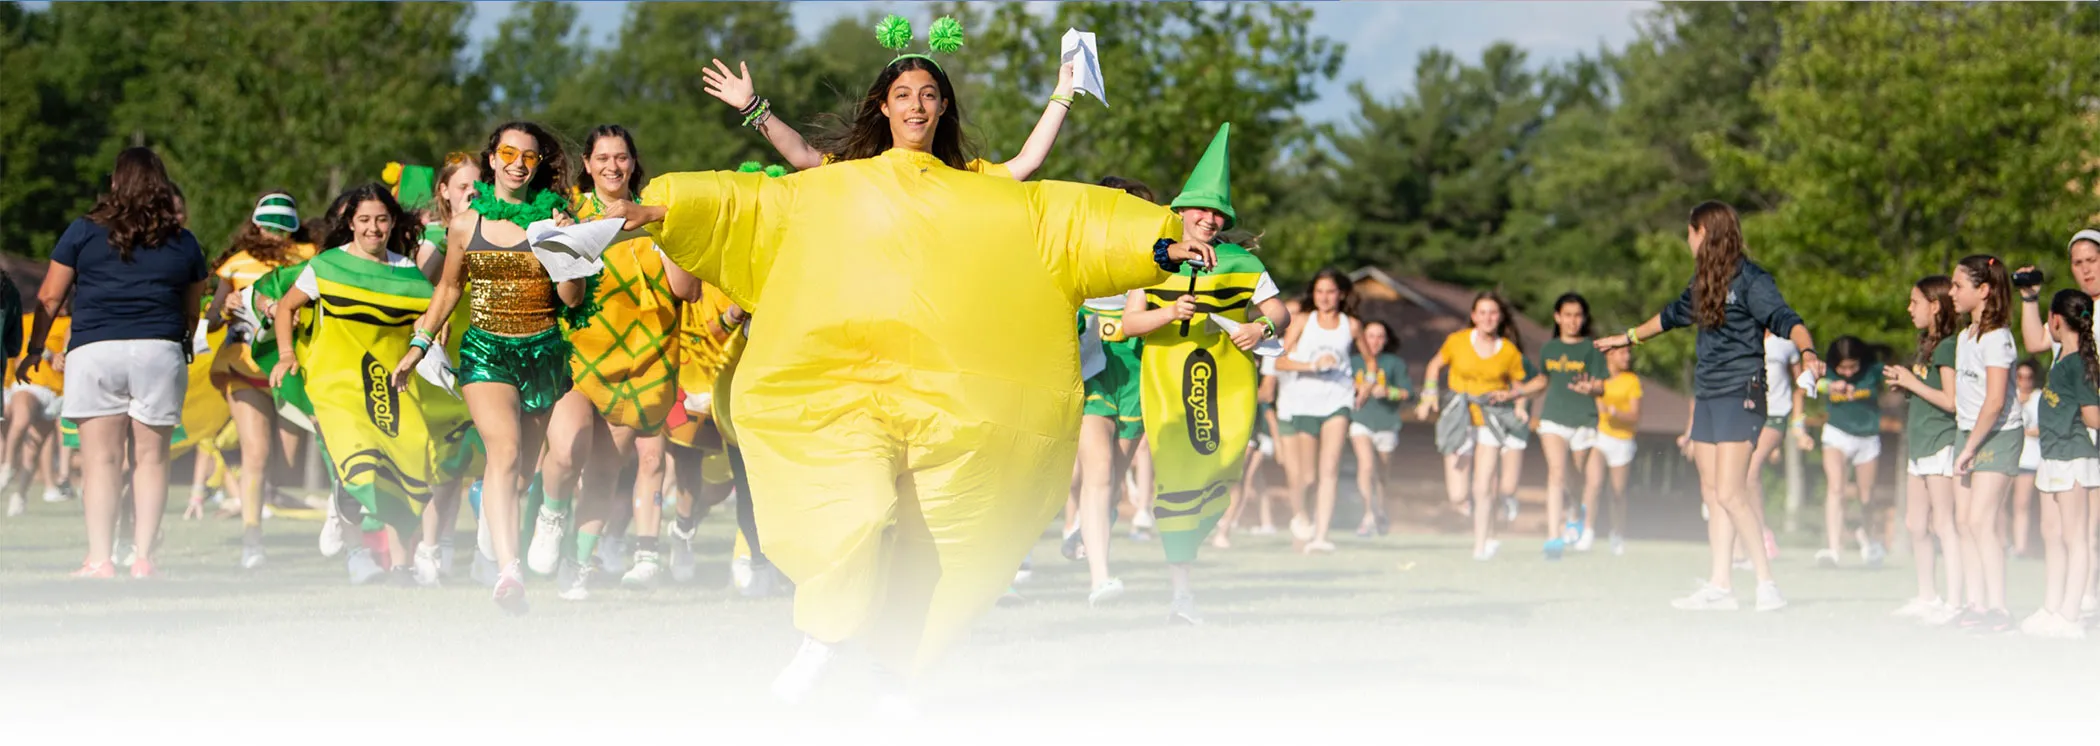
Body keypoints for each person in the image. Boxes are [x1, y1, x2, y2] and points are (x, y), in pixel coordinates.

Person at [602, 17, 1215, 713]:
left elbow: (1050, 204)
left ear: (943, 106)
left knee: (936, 543)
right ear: (884, 106)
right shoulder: (845, 183)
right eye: (904, 94)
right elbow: (767, 196)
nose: (917, 104)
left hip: (948, 403)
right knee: (856, 508)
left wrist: (1153, 240)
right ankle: (823, 639)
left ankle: (897, 674)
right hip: (854, 390)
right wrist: (676, 192)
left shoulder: (979, 189)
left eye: (929, 93)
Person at [395, 121, 584, 613]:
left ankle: (493, 524)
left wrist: (566, 251)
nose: (518, 164)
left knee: (520, 474)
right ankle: (509, 571)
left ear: (539, 166)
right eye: (508, 153)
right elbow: (449, 289)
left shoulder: (555, 219)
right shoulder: (465, 223)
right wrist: (418, 347)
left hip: (543, 351)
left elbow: (572, 300)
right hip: (485, 352)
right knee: (504, 451)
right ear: (493, 158)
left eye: (529, 157)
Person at [1595, 201, 1820, 611]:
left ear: (1703, 232)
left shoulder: (1752, 279)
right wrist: (1625, 337)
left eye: (1689, 231)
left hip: (1742, 392)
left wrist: (1808, 353)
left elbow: (1787, 319)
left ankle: (1768, 585)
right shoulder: (1703, 280)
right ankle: (1721, 586)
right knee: (1715, 493)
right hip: (1709, 394)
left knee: (1733, 493)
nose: (1686, 239)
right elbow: (1669, 317)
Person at [1121, 124, 1289, 620]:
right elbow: (1131, 322)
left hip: (1229, 384)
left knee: (1222, 467)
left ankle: (1188, 558)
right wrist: (1169, 314)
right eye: (1203, 210)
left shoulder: (1244, 262)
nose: (1210, 220)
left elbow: (1280, 313)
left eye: (1219, 213)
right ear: (1182, 211)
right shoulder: (1153, 259)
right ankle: (1182, 590)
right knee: (1175, 475)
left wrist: (1259, 331)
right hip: (1169, 383)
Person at [533, 125, 702, 597]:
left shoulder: (657, 217)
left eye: (621, 157)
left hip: (642, 360)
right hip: (579, 355)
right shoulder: (567, 215)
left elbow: (688, 291)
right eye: (602, 157)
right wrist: (566, 252)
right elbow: (568, 299)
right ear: (587, 164)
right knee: (567, 450)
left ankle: (579, 567)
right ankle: (551, 512)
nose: (612, 166)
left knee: (606, 471)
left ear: (633, 162)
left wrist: (659, 227)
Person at [25, 147, 207, 579]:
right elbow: (193, 308)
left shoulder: (83, 231)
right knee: (152, 459)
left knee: (100, 461)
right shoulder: (183, 241)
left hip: (95, 350)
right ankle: (143, 558)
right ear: (162, 187)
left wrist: (34, 348)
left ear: (114, 184)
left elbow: (50, 296)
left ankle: (99, 559)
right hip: (159, 351)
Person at [270, 184, 454, 584]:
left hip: (391, 386)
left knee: (405, 471)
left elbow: (431, 313)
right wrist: (286, 355)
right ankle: (348, 510)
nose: (374, 228)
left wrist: (433, 333)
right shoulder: (326, 266)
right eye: (365, 220)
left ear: (393, 223)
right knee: (360, 461)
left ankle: (402, 567)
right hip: (337, 387)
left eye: (382, 219)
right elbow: (286, 307)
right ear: (351, 223)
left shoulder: (406, 273)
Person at [203, 191, 317, 569]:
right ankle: (252, 539)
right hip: (243, 366)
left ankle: (242, 479)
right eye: (268, 225)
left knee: (283, 461)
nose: (274, 233)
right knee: (258, 453)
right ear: (255, 225)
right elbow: (214, 318)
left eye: (283, 226)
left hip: (290, 368)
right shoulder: (235, 264)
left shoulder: (310, 258)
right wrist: (227, 306)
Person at [1063, 175, 1158, 606]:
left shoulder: (1157, 263)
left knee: (1115, 480)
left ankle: (1086, 532)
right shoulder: (1079, 254)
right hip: (1093, 371)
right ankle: (1100, 578)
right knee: (1099, 472)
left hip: (1137, 373)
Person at [1417, 292, 1532, 561]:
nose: (1487, 318)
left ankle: (1481, 545)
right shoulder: (1457, 342)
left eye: (1493, 313)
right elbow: (1435, 366)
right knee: (1458, 494)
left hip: (1491, 419)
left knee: (1483, 486)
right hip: (1458, 417)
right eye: (1482, 312)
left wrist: (1520, 407)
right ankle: (1477, 515)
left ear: (1500, 317)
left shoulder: (1508, 351)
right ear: (1473, 316)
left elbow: (1520, 386)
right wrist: (1429, 394)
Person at [1944, 255, 2021, 632]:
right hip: (1969, 432)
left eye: (1959, 286)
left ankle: (1999, 609)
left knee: (1981, 520)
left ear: (1984, 290)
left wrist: (1971, 446)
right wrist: (1965, 440)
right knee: (1963, 521)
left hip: (1997, 435)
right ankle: (1976, 604)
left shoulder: (1997, 337)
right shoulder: (1965, 336)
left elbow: (1994, 401)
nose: (1951, 292)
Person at [1273, 267, 1374, 554]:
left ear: (1341, 294)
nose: (1325, 297)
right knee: (1308, 478)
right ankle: (1301, 517)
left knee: (1330, 470)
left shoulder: (1351, 325)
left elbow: (1371, 362)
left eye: (1330, 292)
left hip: (1338, 401)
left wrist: (1366, 385)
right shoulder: (1303, 321)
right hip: (1304, 403)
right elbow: (1280, 362)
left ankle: (1321, 536)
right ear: (1313, 294)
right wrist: (1312, 365)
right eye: (1319, 292)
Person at [1884, 275, 1965, 624]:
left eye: (1914, 301)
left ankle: (1956, 602)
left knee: (1944, 523)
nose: (1909, 308)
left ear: (1935, 305)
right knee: (1915, 523)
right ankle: (1927, 596)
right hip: (1919, 445)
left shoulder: (1948, 345)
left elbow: (1951, 401)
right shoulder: (1926, 343)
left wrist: (1911, 382)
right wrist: (1906, 385)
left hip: (1938, 442)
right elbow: (1925, 390)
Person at [2018, 289, 2098, 638]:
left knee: (2075, 537)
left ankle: (2070, 616)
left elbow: (2093, 417)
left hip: (2073, 456)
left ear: (2055, 320)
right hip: (2051, 457)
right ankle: (2052, 608)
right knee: (2051, 533)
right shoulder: (2061, 358)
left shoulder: (2079, 362)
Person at [1533, 293, 1607, 552]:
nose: (1572, 321)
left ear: (1584, 318)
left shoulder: (1592, 349)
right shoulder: (1549, 349)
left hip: (1583, 421)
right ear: (1557, 317)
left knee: (1574, 476)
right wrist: (1516, 393)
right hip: (1553, 418)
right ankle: (1553, 536)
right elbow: (1543, 379)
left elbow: (1600, 386)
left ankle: (1575, 511)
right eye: (1567, 315)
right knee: (1556, 472)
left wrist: (1591, 388)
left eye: (1577, 315)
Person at [1812, 336, 1887, 568]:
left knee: (1866, 495)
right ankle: (1834, 548)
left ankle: (1868, 537)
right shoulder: (1827, 373)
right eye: (1841, 367)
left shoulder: (1873, 371)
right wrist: (1829, 385)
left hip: (1867, 436)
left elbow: (1898, 378)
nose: (1846, 372)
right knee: (1836, 488)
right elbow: (1807, 384)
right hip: (1837, 433)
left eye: (1852, 366)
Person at [2, 302, 67, 517]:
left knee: (34, 448)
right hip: (29, 383)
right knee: (21, 421)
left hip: (57, 391)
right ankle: (8, 466)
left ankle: (20, 494)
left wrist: (60, 357)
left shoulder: (70, 324)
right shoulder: (27, 320)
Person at [1349, 320, 1409, 537]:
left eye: (1379, 336)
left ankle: (1380, 510)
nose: (1374, 341)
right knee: (1366, 466)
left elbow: (1406, 393)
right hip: (1360, 420)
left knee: (1382, 475)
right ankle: (1368, 515)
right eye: (1370, 336)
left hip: (1387, 423)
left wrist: (1388, 392)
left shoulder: (1395, 363)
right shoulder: (1353, 362)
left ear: (1386, 340)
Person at [1583, 343, 1641, 555]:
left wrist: (1615, 411)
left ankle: (1617, 533)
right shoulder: (1599, 378)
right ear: (1610, 354)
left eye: (1628, 352)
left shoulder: (1631, 381)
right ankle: (1586, 531)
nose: (1627, 356)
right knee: (1594, 483)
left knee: (1617, 492)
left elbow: (1635, 415)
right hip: (1601, 436)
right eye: (1623, 352)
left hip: (1623, 440)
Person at [2011, 357, 2042, 558]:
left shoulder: (2039, 397)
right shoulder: (2009, 396)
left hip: (2030, 459)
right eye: (2020, 377)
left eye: (2029, 377)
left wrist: (2026, 432)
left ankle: (2021, 547)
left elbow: (2044, 428)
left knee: (2022, 503)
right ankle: (2004, 542)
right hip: (2010, 456)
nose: (2025, 381)